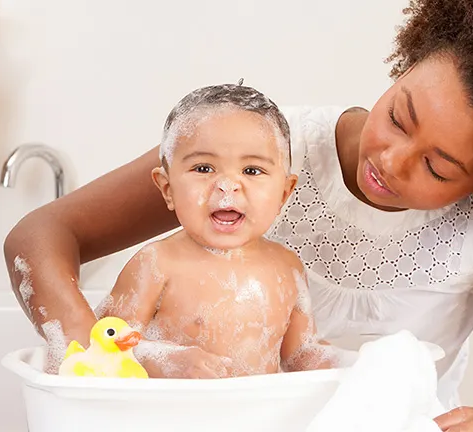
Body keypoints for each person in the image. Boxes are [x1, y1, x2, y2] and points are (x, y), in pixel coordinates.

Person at [3, 0, 473, 430]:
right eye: (399, 115)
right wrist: (92, 360)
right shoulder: (259, 150)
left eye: (436, 168)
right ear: (403, 67)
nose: (391, 160)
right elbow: (41, 234)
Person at [93, 83, 341, 378]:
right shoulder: (156, 263)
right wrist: (164, 360)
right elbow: (104, 345)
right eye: (203, 168)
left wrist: (360, 364)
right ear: (168, 189)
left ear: (284, 194)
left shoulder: (287, 268)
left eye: (251, 171)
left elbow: (301, 355)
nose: (227, 185)